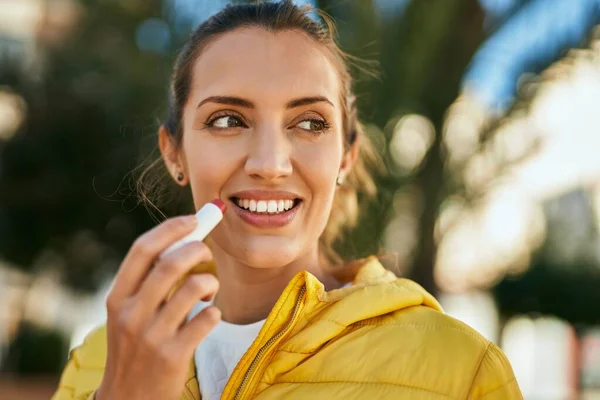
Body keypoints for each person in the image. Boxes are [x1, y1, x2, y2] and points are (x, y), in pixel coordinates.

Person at [51, 1, 522, 399]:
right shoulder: (102, 358)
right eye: (227, 120)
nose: (270, 163)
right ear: (174, 152)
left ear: (345, 159)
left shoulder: (462, 369)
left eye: (311, 123)